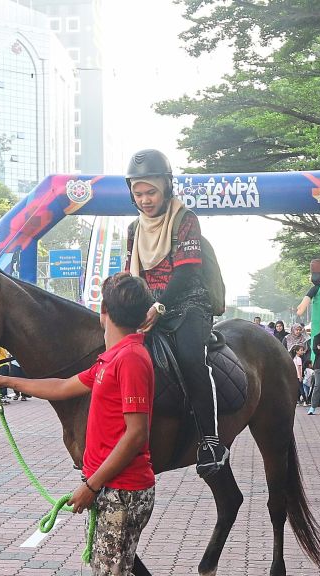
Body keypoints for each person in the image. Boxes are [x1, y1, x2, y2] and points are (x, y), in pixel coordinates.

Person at [0, 273, 194, 576]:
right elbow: (61, 387)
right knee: (115, 574)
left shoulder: (132, 359)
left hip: (124, 491)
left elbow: (136, 435)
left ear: (104, 313)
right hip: (109, 491)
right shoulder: (111, 356)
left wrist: (91, 485)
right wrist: (6, 382)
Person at [123, 148, 227, 477]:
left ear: (167, 187)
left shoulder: (186, 219)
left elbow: (185, 273)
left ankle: (210, 440)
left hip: (187, 304)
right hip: (147, 305)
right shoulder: (132, 230)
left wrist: (160, 305)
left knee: (189, 358)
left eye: (151, 191)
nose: (145, 199)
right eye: (138, 193)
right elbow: (130, 274)